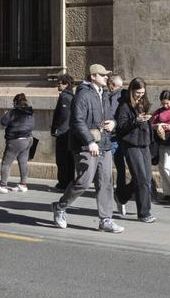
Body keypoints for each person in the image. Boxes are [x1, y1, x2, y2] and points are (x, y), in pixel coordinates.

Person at [51, 64, 122, 233]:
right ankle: (60, 206)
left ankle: (106, 219)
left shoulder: (104, 94)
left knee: (105, 182)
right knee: (84, 181)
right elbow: (77, 121)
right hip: (85, 145)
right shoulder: (82, 95)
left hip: (104, 144)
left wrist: (113, 123)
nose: (106, 78)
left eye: (107, 75)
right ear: (93, 76)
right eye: (103, 75)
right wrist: (90, 141)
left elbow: (111, 116)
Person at [113, 78, 156, 223]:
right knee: (141, 179)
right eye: (138, 92)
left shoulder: (143, 103)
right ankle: (144, 213)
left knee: (145, 178)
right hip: (131, 145)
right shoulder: (124, 106)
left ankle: (121, 196)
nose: (140, 95)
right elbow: (121, 127)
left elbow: (146, 123)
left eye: (143, 93)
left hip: (144, 143)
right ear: (132, 91)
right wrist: (135, 121)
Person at [0, 93, 34, 193]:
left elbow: (3, 122)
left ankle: (3, 186)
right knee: (23, 162)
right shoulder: (30, 112)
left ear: (15, 103)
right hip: (28, 139)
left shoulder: (13, 112)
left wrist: (6, 114)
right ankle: (23, 185)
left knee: (6, 163)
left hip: (15, 140)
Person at [50, 74, 75, 191]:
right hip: (70, 132)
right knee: (69, 159)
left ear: (66, 84)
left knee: (62, 159)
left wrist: (57, 128)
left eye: (60, 83)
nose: (57, 85)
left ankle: (63, 183)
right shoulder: (72, 95)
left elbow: (63, 115)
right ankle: (69, 181)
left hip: (63, 132)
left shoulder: (65, 96)